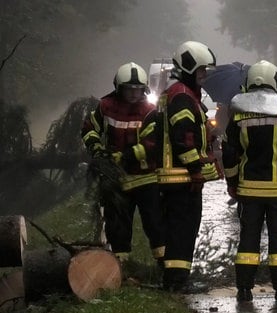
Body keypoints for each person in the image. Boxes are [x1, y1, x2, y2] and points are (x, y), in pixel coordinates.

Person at [222, 60, 277, 302]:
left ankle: (244, 290)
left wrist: (232, 182)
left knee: (248, 237)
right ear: (275, 82)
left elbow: (229, 152)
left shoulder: (238, 113)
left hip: (248, 190)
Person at [81, 62, 165, 269]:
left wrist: (126, 156)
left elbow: (154, 143)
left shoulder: (150, 110)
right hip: (116, 179)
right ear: (119, 88)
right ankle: (121, 267)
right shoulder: (105, 106)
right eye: (129, 89)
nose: (134, 94)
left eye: (138, 90)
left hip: (146, 178)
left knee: (155, 223)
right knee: (118, 224)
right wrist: (98, 151)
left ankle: (164, 264)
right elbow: (89, 129)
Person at [155, 41, 222, 293]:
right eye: (201, 71)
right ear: (189, 68)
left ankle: (176, 279)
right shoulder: (182, 96)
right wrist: (195, 168)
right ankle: (177, 282)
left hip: (178, 177)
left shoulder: (181, 93)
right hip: (181, 177)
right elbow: (183, 138)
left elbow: (188, 132)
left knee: (181, 228)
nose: (204, 76)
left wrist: (208, 135)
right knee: (183, 229)